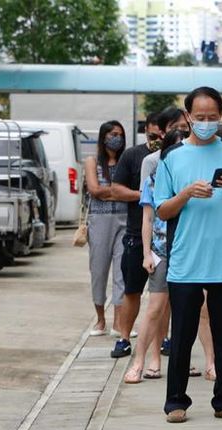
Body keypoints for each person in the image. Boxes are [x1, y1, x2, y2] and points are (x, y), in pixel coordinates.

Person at [155, 86, 222, 423]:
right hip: (185, 262)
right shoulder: (172, 157)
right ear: (187, 117)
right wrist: (185, 194)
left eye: (212, 117)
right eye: (200, 117)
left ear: (221, 117)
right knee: (181, 337)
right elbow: (163, 211)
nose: (206, 123)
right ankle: (175, 401)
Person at [123, 126, 185, 384]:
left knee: (196, 310)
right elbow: (147, 219)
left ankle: (206, 362)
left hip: (189, 251)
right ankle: (141, 360)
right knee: (156, 308)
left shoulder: (197, 178)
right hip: (161, 250)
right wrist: (147, 253)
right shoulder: (154, 177)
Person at [110, 112, 162, 358]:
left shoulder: (175, 156)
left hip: (166, 239)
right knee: (132, 290)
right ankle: (123, 337)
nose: (157, 140)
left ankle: (163, 341)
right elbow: (116, 189)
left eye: (162, 135)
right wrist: (144, 195)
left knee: (163, 297)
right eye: (153, 135)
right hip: (135, 233)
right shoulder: (133, 155)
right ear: (146, 132)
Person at [83, 121, 128, 337]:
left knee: (122, 273)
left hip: (124, 219)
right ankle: (100, 320)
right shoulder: (92, 161)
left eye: (119, 134)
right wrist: (117, 191)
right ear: (103, 137)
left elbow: (129, 192)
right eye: (112, 134)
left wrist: (109, 191)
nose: (116, 138)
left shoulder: (125, 161)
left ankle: (119, 322)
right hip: (99, 220)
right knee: (99, 270)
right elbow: (93, 189)